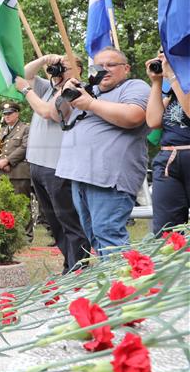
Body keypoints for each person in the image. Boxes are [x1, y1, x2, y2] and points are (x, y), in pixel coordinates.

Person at [55, 46, 150, 256]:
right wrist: (63, 92)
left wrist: (90, 103)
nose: (104, 69)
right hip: (80, 175)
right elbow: (56, 115)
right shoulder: (90, 90)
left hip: (109, 178)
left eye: (111, 65)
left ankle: (125, 286)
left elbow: (134, 116)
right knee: (94, 236)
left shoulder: (135, 86)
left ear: (126, 68)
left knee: (108, 234)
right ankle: (111, 285)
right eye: (99, 66)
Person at [16, 55, 90, 273]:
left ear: (79, 70)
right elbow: (22, 74)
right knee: (53, 221)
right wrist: (43, 60)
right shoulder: (48, 87)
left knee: (67, 219)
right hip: (38, 164)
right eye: (59, 66)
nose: (60, 70)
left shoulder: (76, 89)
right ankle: (70, 264)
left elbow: (47, 112)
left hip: (58, 165)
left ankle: (79, 267)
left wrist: (26, 92)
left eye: (67, 67)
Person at [145, 50, 190, 232]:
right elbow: (153, 121)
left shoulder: (179, 83)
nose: (162, 59)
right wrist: (156, 82)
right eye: (159, 54)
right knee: (166, 230)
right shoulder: (171, 90)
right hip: (168, 159)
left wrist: (172, 74)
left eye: (166, 54)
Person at [0, 101, 33, 240]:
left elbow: (25, 147)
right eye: (5, 114)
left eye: (9, 113)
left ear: (17, 113)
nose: (7, 116)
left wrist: (8, 161)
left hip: (19, 173)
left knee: (22, 204)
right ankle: (10, 233)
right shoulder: (1, 130)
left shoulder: (25, 128)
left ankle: (26, 236)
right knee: (5, 204)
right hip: (2, 172)